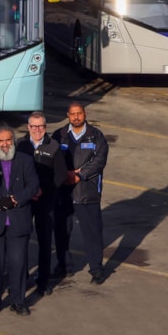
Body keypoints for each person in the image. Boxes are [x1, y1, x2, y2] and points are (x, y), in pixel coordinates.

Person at [0, 125, 39, 316]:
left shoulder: (26, 160)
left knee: (18, 263)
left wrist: (15, 199)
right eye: (1, 141)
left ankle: (18, 301)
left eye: (8, 140)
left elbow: (33, 185)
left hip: (18, 220)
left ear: (13, 140)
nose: (5, 144)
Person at [52, 102, 110, 284]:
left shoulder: (96, 136)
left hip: (87, 192)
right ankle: (63, 266)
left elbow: (99, 161)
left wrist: (79, 175)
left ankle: (96, 269)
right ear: (67, 115)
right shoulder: (58, 135)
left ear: (85, 114)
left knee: (92, 232)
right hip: (63, 192)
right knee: (61, 231)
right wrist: (65, 174)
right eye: (72, 114)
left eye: (79, 113)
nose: (76, 117)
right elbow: (51, 157)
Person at [17, 111, 69, 295]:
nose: (38, 130)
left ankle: (43, 280)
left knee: (45, 241)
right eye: (34, 126)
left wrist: (43, 191)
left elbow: (61, 175)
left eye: (41, 126)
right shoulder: (21, 146)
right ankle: (21, 280)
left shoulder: (53, 146)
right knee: (20, 241)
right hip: (25, 201)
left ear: (45, 127)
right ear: (28, 127)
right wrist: (27, 192)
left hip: (46, 202)